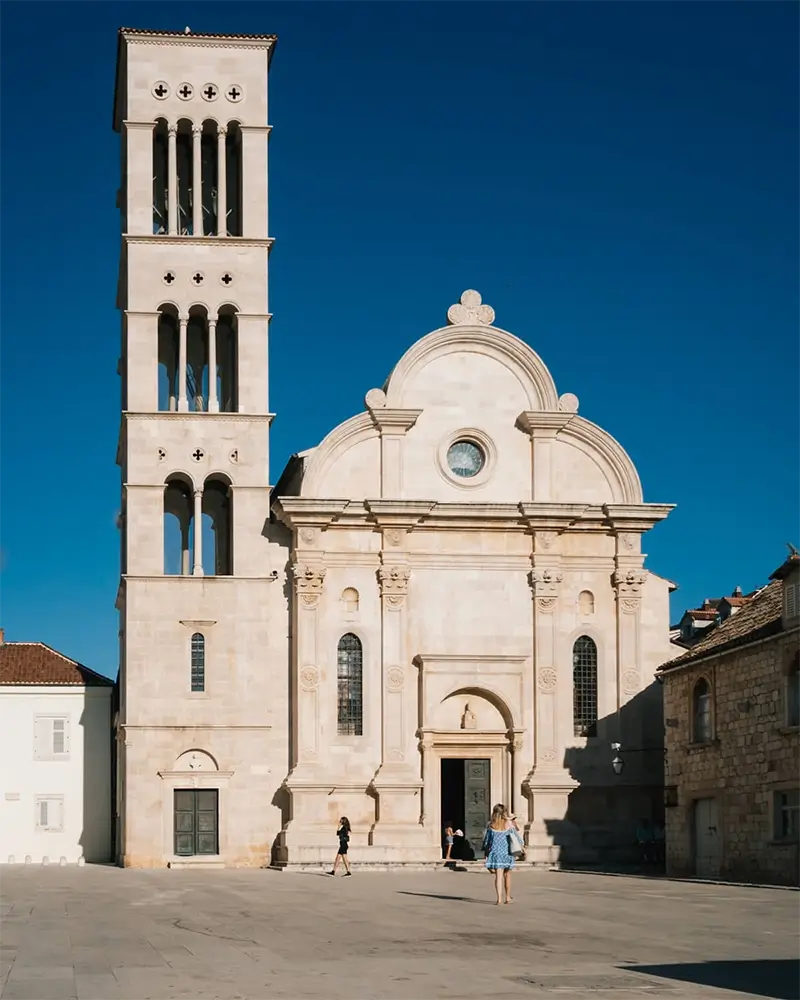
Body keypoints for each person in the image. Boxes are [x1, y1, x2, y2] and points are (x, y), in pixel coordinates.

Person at [482, 803, 515, 904]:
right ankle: (508, 897)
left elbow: (487, 841)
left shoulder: (491, 825)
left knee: (498, 876)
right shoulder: (508, 824)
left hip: (496, 853)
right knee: (507, 874)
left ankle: (499, 899)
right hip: (507, 852)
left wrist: (486, 851)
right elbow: (516, 837)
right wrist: (522, 848)